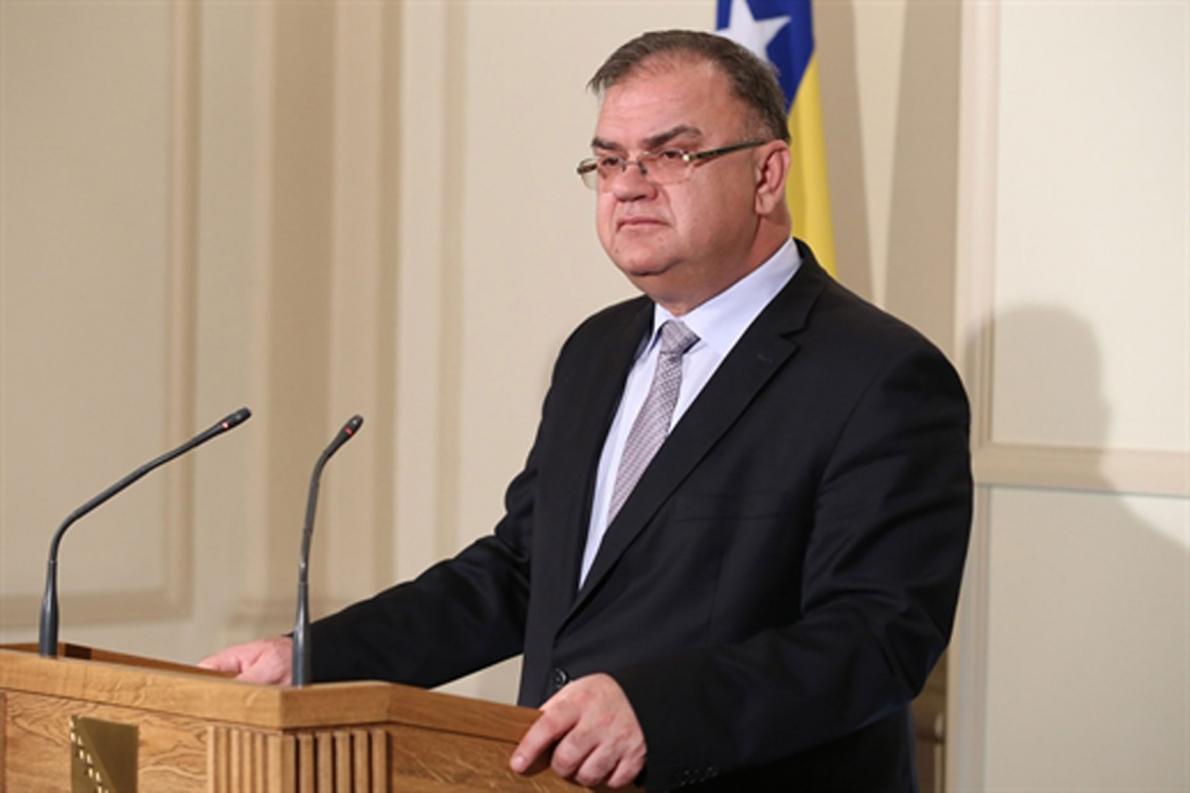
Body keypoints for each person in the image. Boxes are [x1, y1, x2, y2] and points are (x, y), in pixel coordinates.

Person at [201, 29, 972, 792]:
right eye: (609, 161)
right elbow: (523, 572)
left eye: (671, 155)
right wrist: (313, 660)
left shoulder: (880, 375)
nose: (629, 185)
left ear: (767, 174)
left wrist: (658, 711)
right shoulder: (596, 351)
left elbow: (877, 638)